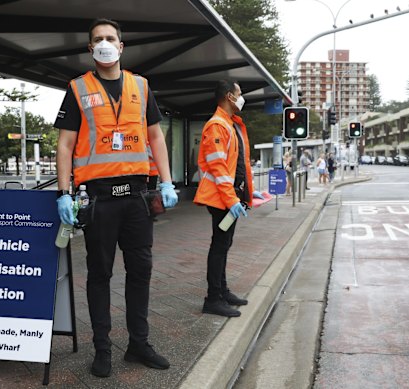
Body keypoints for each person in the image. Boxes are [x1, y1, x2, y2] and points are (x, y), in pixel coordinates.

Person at [54, 18, 178, 378]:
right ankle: (103, 349)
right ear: (90, 48)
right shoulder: (78, 89)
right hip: (100, 199)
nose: (104, 43)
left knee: (141, 271)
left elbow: (156, 137)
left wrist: (167, 182)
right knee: (100, 274)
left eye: (110, 38)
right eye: (97, 39)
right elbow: (64, 144)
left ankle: (138, 344)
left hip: (138, 196)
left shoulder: (141, 86)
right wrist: (64, 192)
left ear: (121, 47)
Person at [193, 80, 265, 317]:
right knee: (219, 247)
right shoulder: (217, 125)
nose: (241, 98)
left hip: (228, 197)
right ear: (229, 97)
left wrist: (245, 192)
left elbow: (235, 166)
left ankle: (222, 292)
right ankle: (213, 298)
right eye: (239, 94)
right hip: (221, 199)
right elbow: (218, 167)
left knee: (223, 246)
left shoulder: (228, 124)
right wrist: (231, 199)